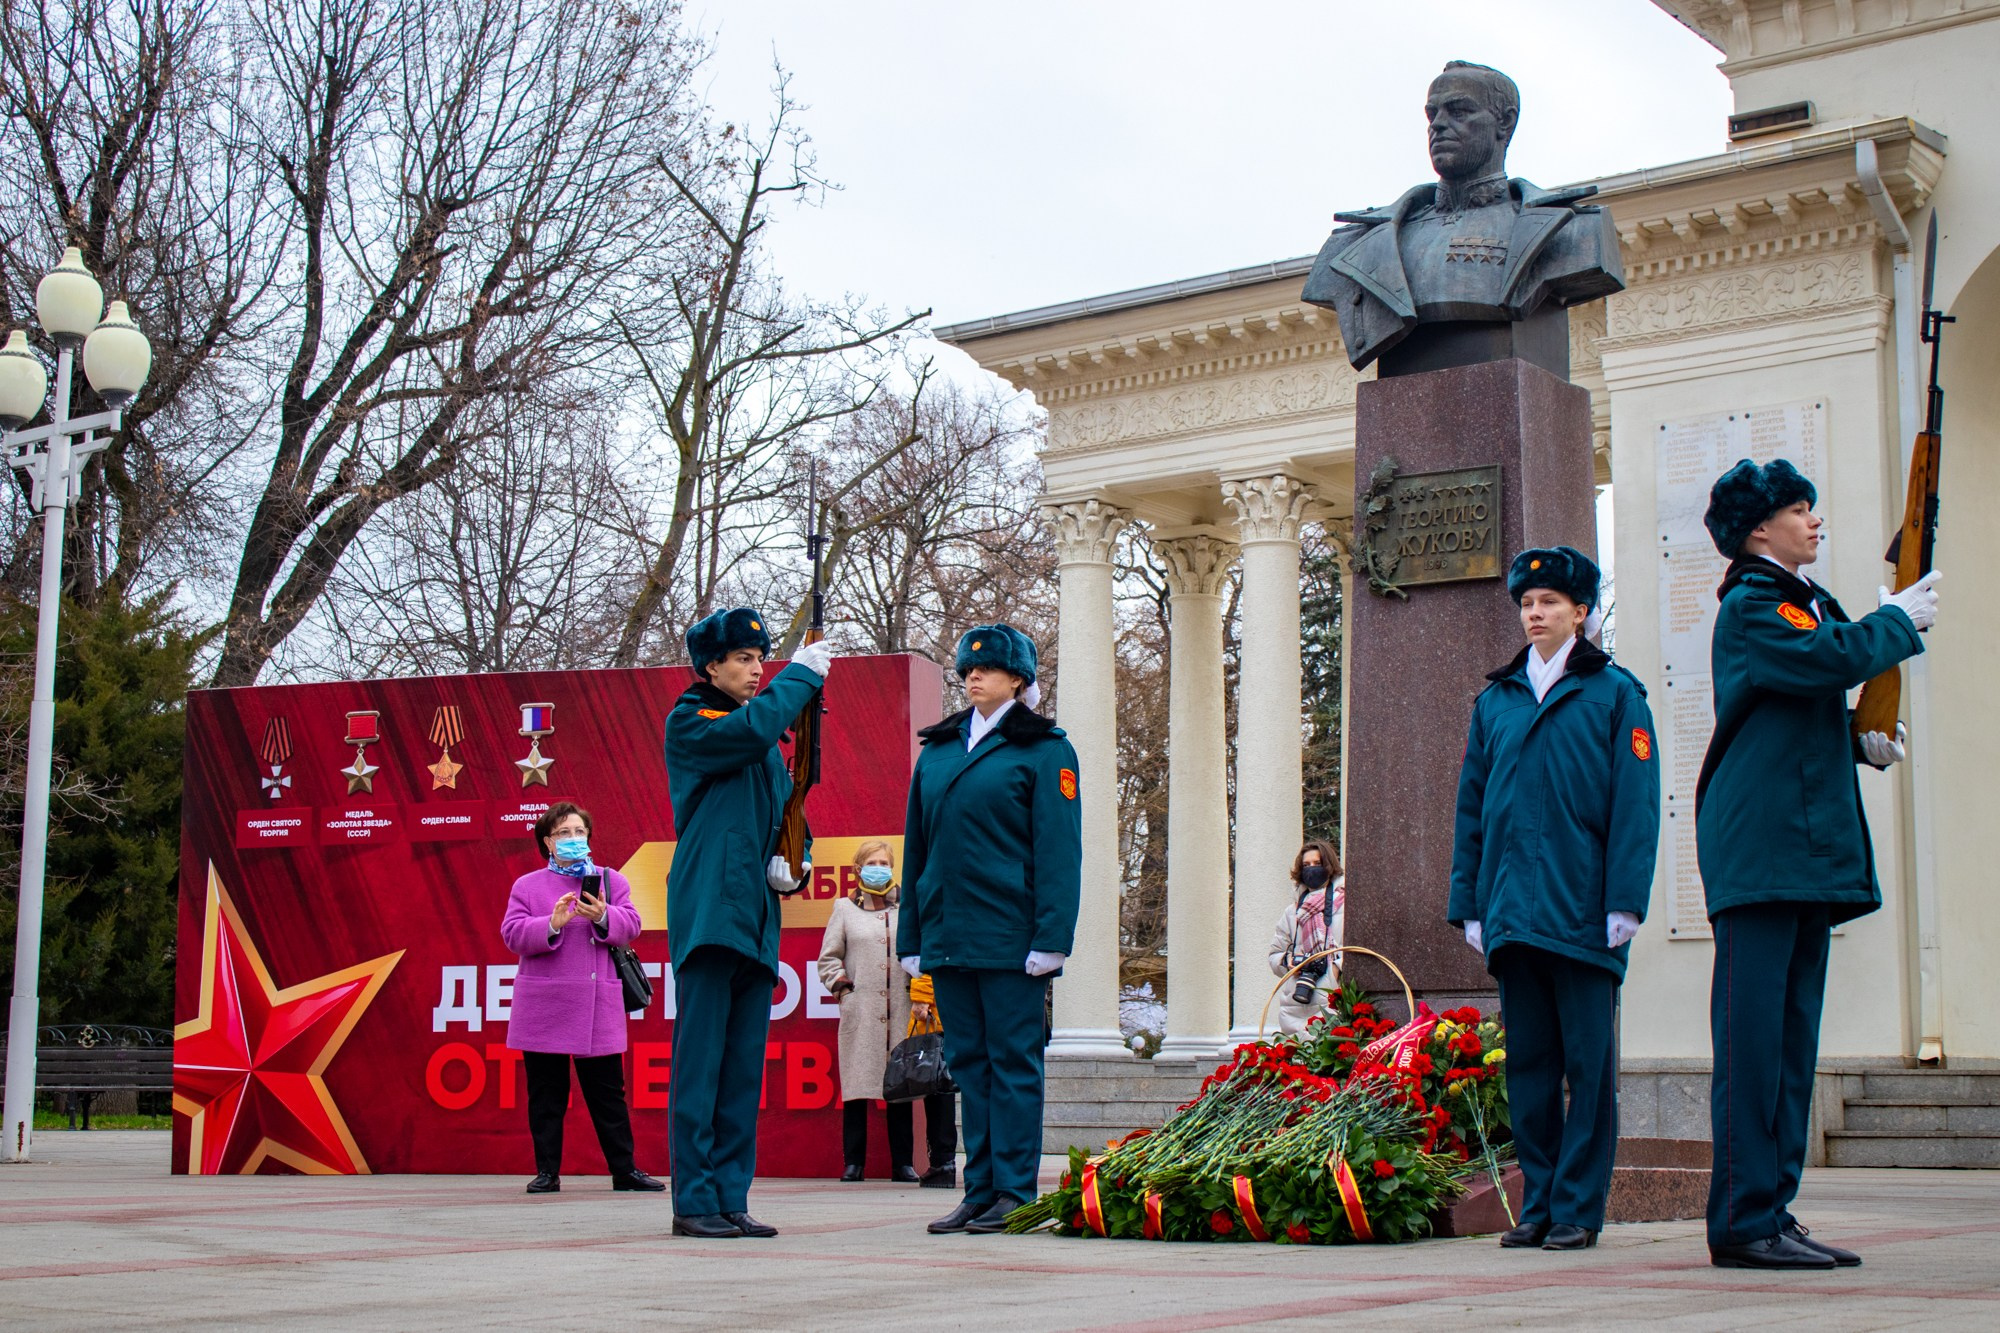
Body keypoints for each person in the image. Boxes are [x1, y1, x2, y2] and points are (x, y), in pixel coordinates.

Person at [1696, 459, 1940, 1270]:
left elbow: (1797, 710)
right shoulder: (1754, 605)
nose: (1814, 519)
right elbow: (1819, 660)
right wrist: (1894, 621)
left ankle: (1773, 1208)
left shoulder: (1797, 604)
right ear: (1760, 529)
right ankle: (1739, 1219)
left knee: (1791, 1048)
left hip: (1795, 853)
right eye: (1800, 509)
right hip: (1761, 853)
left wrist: (1855, 740)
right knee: (1754, 1046)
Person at [1447, 546, 1660, 1252]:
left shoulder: (1615, 693)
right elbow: (1472, 807)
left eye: (1549, 603)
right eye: (1527, 603)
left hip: (1584, 912)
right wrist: (1470, 903)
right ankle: (1538, 1201)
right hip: (1513, 912)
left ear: (1581, 613)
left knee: (1588, 1070)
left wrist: (1625, 899)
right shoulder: (1497, 699)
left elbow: (1636, 804)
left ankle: (1578, 1208)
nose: (1534, 613)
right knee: (1530, 1070)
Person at [896, 623, 1081, 1235]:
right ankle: (978, 1191)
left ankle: (1014, 1191)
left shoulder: (1045, 748)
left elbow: (1058, 852)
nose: (973, 676)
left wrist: (1051, 939)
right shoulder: (941, 750)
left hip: (1010, 939)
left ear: (1018, 680)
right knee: (969, 1066)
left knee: (1013, 1064)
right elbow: (917, 850)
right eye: (968, 669)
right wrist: (913, 939)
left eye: (989, 669)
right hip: (948, 936)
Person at [662, 606, 832, 1239]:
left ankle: (730, 1196)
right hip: (711, 910)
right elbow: (755, 732)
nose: (758, 670)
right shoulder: (695, 720)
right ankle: (694, 1202)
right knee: (700, 1068)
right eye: (744, 660)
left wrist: (800, 861)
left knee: (740, 1074)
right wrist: (800, 680)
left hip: (755, 918)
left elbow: (794, 813)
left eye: (763, 660)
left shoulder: (759, 738)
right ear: (711, 666)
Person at [499, 801, 663, 1195]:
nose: (573, 840)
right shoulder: (527, 886)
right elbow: (512, 934)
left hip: (596, 1006)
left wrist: (603, 916)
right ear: (547, 843)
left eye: (579, 832)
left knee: (608, 1095)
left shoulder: (610, 880)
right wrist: (551, 924)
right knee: (546, 1095)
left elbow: (632, 925)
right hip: (545, 1006)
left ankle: (625, 1171)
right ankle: (547, 1172)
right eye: (563, 834)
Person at [816, 840, 957, 1185]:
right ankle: (854, 1163)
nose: (879, 867)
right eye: (872, 862)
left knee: (901, 1086)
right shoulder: (844, 909)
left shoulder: (907, 908)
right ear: (858, 868)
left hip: (905, 1011)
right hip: (862, 1010)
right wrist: (843, 988)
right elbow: (828, 958)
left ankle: (902, 1163)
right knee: (857, 1088)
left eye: (884, 862)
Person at [1266, 840, 1346, 1035]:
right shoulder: (1292, 913)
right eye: (1306, 865)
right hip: (1296, 1001)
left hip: (1332, 999)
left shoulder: (1346, 906)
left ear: (1328, 866)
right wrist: (1289, 961)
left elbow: (1357, 949)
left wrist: (1335, 969)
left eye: (1317, 864)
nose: (1311, 870)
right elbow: (1274, 954)